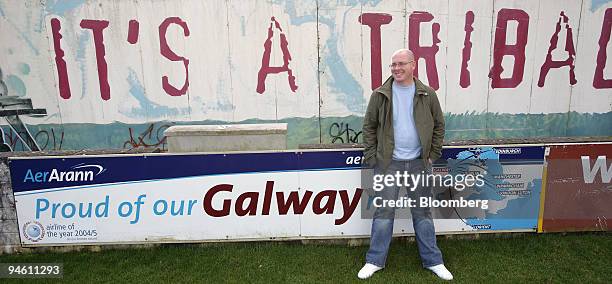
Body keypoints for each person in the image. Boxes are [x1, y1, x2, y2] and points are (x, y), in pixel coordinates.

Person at [358, 49, 452, 280]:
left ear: (413, 65)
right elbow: (369, 127)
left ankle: (433, 261)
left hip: (419, 164)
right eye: (393, 65)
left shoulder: (427, 94)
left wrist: (432, 154)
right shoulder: (380, 95)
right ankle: (374, 261)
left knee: (422, 212)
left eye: (401, 64)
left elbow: (439, 125)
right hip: (389, 164)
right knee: (383, 212)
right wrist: (373, 157)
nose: (396, 68)